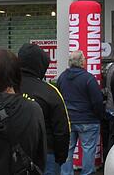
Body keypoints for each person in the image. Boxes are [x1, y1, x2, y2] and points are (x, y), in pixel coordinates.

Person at [18, 43, 70, 175]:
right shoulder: (50, 92)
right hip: (47, 154)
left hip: (12, 154)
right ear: (41, 65)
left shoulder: (8, 87)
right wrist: (61, 157)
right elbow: (62, 129)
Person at [57, 51, 105, 175]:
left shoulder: (62, 77)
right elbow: (97, 101)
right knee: (88, 149)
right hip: (88, 120)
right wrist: (100, 116)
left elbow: (59, 97)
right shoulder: (89, 79)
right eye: (84, 58)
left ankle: (66, 173)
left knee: (67, 149)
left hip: (68, 120)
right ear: (82, 62)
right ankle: (87, 173)